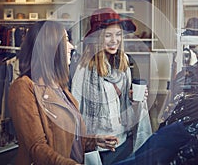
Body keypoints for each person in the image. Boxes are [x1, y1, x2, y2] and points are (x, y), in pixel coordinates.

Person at [8, 20, 118, 165]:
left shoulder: (59, 86)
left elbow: (70, 137)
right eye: (66, 40)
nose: (71, 46)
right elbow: (37, 147)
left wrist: (94, 141)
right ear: (50, 47)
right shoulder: (23, 87)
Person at [71, 8, 152, 165]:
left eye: (118, 34)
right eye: (108, 35)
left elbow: (125, 106)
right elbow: (75, 112)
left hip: (123, 141)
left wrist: (133, 100)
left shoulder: (123, 62)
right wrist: (91, 140)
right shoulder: (84, 69)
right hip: (99, 149)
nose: (114, 40)